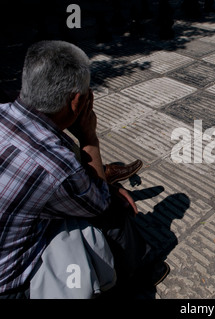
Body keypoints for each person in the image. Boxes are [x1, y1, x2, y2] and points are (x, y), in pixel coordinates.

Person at [0, 40, 169, 299]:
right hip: (10, 286)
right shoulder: (57, 167)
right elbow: (100, 204)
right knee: (114, 213)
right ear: (77, 101)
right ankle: (135, 280)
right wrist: (89, 138)